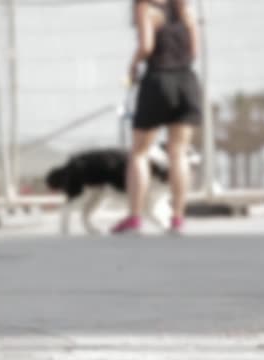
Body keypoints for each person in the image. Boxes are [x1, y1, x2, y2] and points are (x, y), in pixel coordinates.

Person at [112, 0, 202, 234]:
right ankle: (178, 218)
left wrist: (132, 67)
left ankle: (134, 217)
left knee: (140, 152)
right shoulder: (186, 10)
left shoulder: (146, 8)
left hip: (158, 80)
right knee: (179, 152)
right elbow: (194, 51)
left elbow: (146, 46)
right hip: (187, 82)